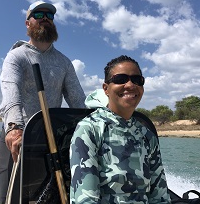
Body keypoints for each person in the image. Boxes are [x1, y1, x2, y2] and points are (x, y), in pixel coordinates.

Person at [0, 1, 86, 204]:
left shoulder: (64, 62)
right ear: (28, 24)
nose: (45, 17)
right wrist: (13, 126)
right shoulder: (16, 56)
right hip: (17, 136)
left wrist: (94, 124)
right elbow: (11, 92)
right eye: (38, 14)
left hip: (51, 138)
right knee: (7, 198)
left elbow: (78, 100)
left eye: (49, 15)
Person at [70, 55, 171, 203]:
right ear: (106, 89)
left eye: (137, 80)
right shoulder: (89, 129)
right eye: (120, 79)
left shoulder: (147, 135)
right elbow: (85, 199)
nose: (130, 85)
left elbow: (160, 196)